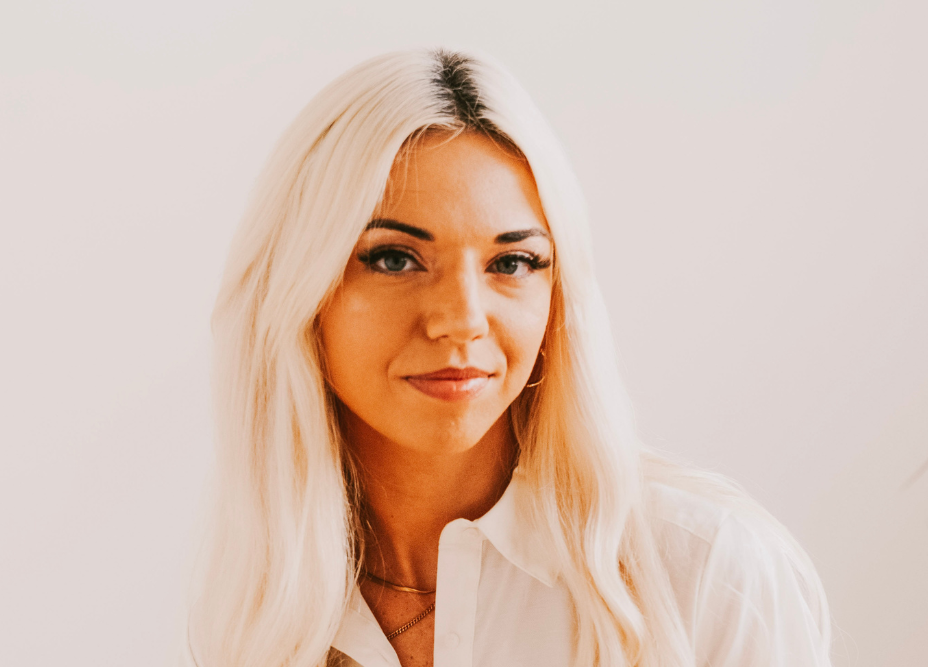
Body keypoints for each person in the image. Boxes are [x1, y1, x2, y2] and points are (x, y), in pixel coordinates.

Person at [189, 48, 832, 667]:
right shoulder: (257, 603)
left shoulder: (706, 574)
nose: (462, 320)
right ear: (299, 288)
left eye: (512, 263)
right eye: (394, 259)